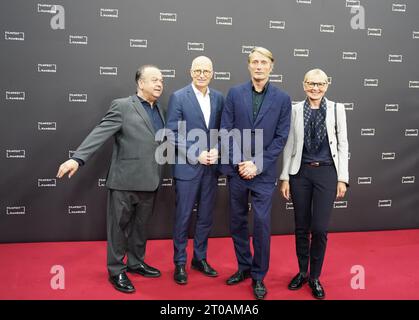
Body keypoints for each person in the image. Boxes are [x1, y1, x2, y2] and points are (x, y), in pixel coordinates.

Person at [56, 65, 165, 294]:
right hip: (124, 181)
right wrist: (77, 159)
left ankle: (136, 263)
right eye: (154, 80)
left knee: (141, 227)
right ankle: (116, 270)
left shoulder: (160, 110)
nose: (159, 84)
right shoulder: (123, 106)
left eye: (161, 80)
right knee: (118, 229)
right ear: (140, 83)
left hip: (151, 180)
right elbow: (100, 132)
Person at [220, 47, 291, 299]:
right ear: (248, 65)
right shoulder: (235, 93)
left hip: (263, 173)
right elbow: (226, 130)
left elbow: (281, 137)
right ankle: (244, 267)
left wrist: (256, 164)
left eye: (264, 62)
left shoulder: (283, 99)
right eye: (254, 62)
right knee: (237, 221)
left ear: (272, 66)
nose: (259, 66)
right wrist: (241, 162)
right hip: (237, 170)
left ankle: (259, 276)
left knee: (261, 224)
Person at [279, 68, 349, 299]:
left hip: (327, 173)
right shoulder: (295, 110)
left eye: (319, 84)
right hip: (300, 174)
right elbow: (289, 144)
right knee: (301, 227)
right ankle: (301, 271)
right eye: (311, 84)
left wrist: (342, 178)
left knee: (319, 229)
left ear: (326, 85)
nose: (315, 88)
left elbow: (343, 145)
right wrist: (285, 176)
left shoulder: (338, 109)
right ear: (303, 84)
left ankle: (315, 276)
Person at [166, 56, 224, 285]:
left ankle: (199, 258)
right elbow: (171, 132)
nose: (202, 74)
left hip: (211, 168)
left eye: (206, 71)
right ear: (191, 72)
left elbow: (224, 129)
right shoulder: (179, 97)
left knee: (206, 217)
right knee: (183, 217)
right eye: (198, 70)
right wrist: (195, 153)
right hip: (188, 167)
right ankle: (180, 262)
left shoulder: (219, 98)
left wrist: (217, 150)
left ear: (212, 73)